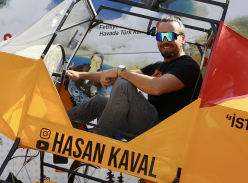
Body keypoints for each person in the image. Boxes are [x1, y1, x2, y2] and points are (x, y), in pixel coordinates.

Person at [65, 15, 200, 139]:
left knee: (124, 85)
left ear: (183, 38)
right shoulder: (157, 66)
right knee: (98, 102)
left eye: (170, 36)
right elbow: (112, 76)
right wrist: (80, 75)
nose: (165, 41)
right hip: (143, 126)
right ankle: (56, 125)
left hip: (161, 134)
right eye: (160, 36)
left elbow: (157, 87)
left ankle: (98, 141)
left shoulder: (188, 66)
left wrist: (121, 72)